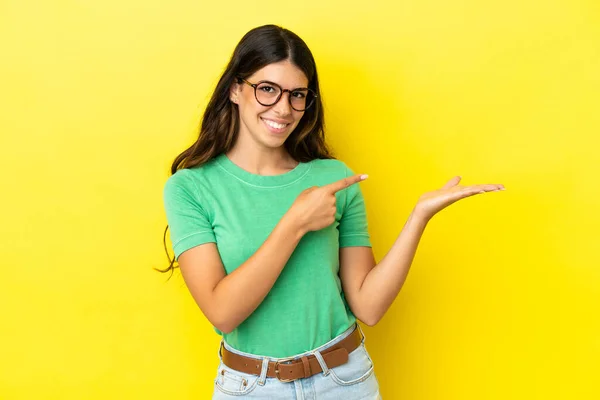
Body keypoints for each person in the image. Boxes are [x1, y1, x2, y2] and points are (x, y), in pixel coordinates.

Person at [157, 24, 505, 399]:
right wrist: (295, 223)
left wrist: (419, 216)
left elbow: (368, 307)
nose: (283, 109)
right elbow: (222, 312)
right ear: (236, 89)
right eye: (267, 89)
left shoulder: (334, 179)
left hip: (344, 381)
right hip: (251, 388)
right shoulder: (191, 188)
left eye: (297, 95)